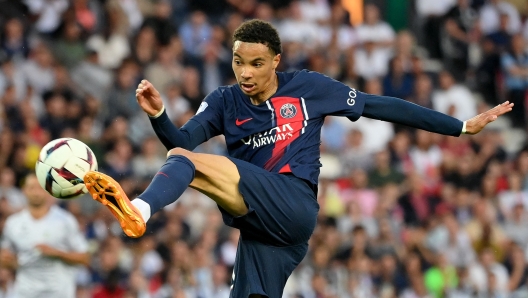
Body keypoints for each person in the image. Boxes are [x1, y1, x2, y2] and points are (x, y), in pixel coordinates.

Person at [83, 20, 513, 297]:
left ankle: (138, 208)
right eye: (237, 62)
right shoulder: (223, 101)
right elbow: (179, 141)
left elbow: (380, 105)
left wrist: (459, 126)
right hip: (265, 230)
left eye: (255, 63)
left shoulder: (308, 88)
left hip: (293, 203)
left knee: (187, 162)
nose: (245, 73)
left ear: (275, 61)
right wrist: (159, 114)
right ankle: (136, 208)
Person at [0, 174, 90, 298]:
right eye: (31, 188)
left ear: (48, 191)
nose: (36, 192)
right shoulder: (13, 223)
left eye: (40, 188)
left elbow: (84, 258)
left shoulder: (65, 220)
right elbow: (5, 259)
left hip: (59, 292)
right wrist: (12, 261)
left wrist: (57, 253)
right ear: (24, 191)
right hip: (25, 292)